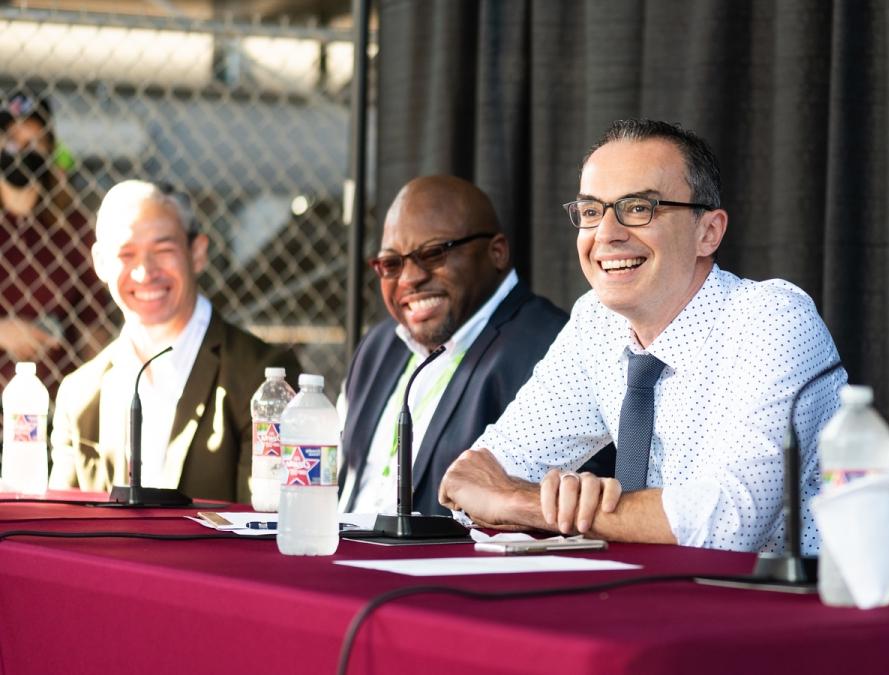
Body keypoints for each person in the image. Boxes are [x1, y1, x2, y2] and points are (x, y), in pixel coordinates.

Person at [438, 120, 846, 553]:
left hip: (818, 611)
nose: (607, 234)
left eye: (637, 208)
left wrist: (538, 507)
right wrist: (522, 498)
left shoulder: (772, 319)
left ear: (708, 231)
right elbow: (471, 479)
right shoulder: (596, 321)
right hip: (665, 604)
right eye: (591, 212)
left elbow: (729, 525)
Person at [339, 175, 588, 517]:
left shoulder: (553, 347)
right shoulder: (380, 345)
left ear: (497, 252)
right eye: (391, 264)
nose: (409, 278)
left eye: (433, 253)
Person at [48, 180, 301, 503]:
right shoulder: (79, 394)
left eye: (163, 250)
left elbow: (268, 525)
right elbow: (61, 529)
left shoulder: (262, 377)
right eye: (126, 254)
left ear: (197, 253)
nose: (145, 273)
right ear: (100, 263)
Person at [0, 90, 106, 397]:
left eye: (34, 142)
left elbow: (91, 324)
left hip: (53, 402)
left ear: (49, 151)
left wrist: (96, 395)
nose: (21, 151)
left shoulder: (71, 229)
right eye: (11, 140)